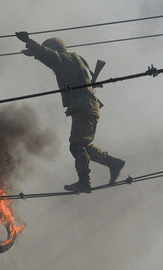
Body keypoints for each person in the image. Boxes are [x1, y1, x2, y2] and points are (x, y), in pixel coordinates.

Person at [15, 32, 125, 193]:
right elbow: (47, 56)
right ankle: (113, 163)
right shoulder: (71, 61)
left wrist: (29, 42)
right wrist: (34, 52)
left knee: (76, 147)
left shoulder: (66, 59)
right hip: (86, 107)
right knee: (83, 145)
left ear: (56, 49)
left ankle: (84, 182)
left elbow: (49, 56)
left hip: (83, 106)